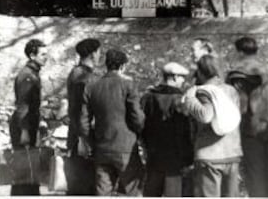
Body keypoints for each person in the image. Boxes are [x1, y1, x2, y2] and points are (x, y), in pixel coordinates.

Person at [79, 49, 145, 196]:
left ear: (106, 65)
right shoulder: (128, 86)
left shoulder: (91, 87)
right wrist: (139, 135)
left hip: (102, 147)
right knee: (133, 192)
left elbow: (83, 123)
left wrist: (92, 141)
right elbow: (138, 118)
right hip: (126, 148)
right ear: (122, 66)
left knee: (103, 192)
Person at [226, 36, 268, 197]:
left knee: (254, 172)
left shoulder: (235, 74)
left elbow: (238, 106)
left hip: (249, 129)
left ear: (240, 52)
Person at [183, 55, 243, 197]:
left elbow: (205, 115)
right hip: (232, 153)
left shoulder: (203, 91)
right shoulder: (231, 90)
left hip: (209, 155)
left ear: (201, 72)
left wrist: (190, 98)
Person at [140, 62, 193, 197]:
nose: (183, 81)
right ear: (174, 77)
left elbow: (141, 126)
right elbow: (185, 133)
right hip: (174, 162)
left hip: (153, 157)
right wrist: (188, 159)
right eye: (182, 77)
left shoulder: (147, 97)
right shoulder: (180, 100)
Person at [9, 39, 47, 195]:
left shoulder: (32, 73)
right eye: (43, 54)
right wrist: (24, 131)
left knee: (29, 170)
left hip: (28, 124)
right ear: (32, 55)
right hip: (23, 126)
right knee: (24, 171)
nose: (46, 57)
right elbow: (23, 106)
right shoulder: (27, 76)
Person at [65, 38, 101, 195]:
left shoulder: (76, 73)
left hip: (77, 133)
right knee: (84, 184)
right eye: (99, 52)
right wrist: (84, 139)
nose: (100, 56)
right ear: (93, 54)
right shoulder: (84, 77)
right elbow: (81, 110)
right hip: (84, 136)